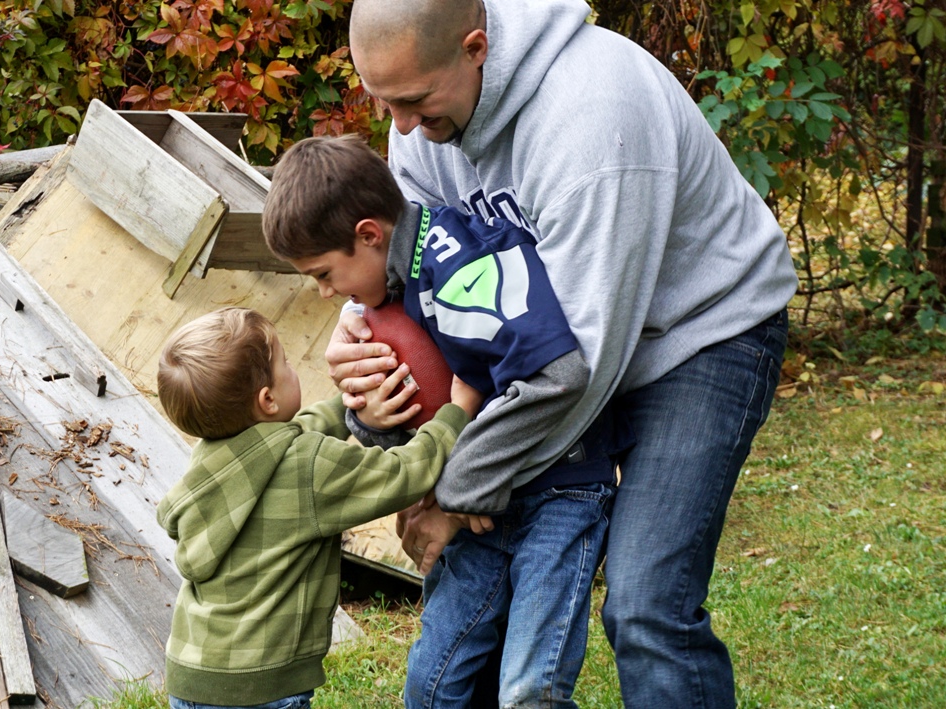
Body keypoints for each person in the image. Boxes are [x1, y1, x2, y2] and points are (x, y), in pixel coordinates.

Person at [327, 0, 800, 707]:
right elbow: (412, 272)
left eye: (415, 101)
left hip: (697, 331)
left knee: (645, 600)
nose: (400, 129)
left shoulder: (592, 119)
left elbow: (576, 365)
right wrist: (361, 336)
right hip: (564, 344)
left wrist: (453, 496)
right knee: (483, 573)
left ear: (476, 47)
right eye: (384, 102)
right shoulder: (421, 122)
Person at [262, 134, 633, 708]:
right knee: (432, 686)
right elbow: (418, 411)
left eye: (324, 274)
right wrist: (372, 422)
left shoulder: (459, 267)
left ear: (368, 235)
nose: (325, 293)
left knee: (531, 690)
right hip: (480, 503)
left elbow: (557, 374)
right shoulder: (390, 288)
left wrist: (455, 489)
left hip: (559, 490)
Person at [154, 306, 481, 709]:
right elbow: (403, 473)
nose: (293, 368)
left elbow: (293, 433)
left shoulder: (212, 457)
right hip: (261, 686)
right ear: (268, 399)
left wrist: (352, 409)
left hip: (191, 674)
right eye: (285, 363)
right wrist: (457, 412)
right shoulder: (306, 466)